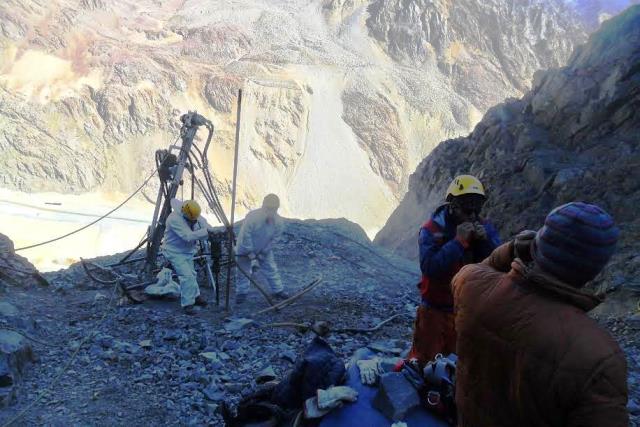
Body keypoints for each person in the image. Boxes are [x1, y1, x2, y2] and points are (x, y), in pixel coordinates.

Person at [452, 202, 628, 426]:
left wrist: (512, 250)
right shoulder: (600, 356)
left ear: (536, 246)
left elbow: (481, 269)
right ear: (594, 270)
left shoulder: (471, 286)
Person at [407, 175, 500, 367]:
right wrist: (458, 242)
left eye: (476, 208)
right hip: (435, 310)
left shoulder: (484, 227)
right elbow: (430, 267)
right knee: (424, 363)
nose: (472, 215)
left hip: (467, 310)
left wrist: (485, 242)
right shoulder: (432, 230)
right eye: (467, 208)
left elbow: (497, 264)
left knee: (461, 366)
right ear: (453, 205)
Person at [161, 199, 213, 314]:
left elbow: (204, 223)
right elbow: (187, 236)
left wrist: (212, 230)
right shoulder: (174, 219)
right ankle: (188, 304)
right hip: (174, 251)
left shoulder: (193, 213)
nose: (194, 221)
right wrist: (207, 232)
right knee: (186, 276)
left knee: (192, 274)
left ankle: (195, 296)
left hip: (187, 251)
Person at [235, 194, 287, 304]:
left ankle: (278, 290)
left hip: (263, 248)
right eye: (269, 208)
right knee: (243, 270)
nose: (271, 211)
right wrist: (249, 251)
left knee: (271, 269)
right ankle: (242, 292)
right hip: (244, 248)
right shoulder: (253, 217)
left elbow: (275, 239)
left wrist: (264, 251)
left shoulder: (278, 222)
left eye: (273, 209)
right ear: (264, 206)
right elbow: (245, 235)